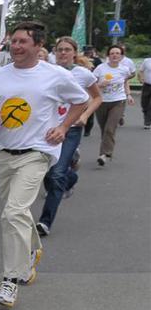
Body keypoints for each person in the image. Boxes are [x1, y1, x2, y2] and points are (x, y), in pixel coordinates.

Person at [0, 21, 89, 309]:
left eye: (23, 41)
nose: (16, 46)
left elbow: (81, 101)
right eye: (14, 41)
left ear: (38, 45)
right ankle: (33, 249)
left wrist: (63, 127)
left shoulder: (55, 75)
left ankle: (10, 280)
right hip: (2, 152)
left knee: (12, 213)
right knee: (18, 212)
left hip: (37, 152)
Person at [34, 37, 102, 236]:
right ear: (54, 52)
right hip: (47, 128)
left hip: (71, 128)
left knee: (56, 174)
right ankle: (71, 177)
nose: (63, 53)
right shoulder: (46, 71)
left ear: (74, 52)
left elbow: (97, 97)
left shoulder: (83, 74)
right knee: (48, 170)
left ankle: (45, 222)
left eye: (67, 50)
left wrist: (85, 115)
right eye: (59, 50)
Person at [92, 44, 135, 166]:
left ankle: (104, 154)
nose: (115, 55)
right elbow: (92, 84)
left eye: (117, 53)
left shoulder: (124, 69)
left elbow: (125, 82)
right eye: (112, 53)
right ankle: (105, 150)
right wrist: (100, 85)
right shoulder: (100, 68)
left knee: (110, 128)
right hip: (102, 101)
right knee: (104, 129)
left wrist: (129, 95)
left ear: (121, 56)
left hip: (118, 101)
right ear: (108, 56)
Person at [81, 45, 103, 136]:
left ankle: (87, 129)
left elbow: (100, 71)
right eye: (86, 50)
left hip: (92, 83)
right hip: (82, 83)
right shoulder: (80, 59)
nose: (88, 52)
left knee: (89, 107)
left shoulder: (97, 60)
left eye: (89, 50)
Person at [140, 56, 151, 130]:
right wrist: (141, 78)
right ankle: (146, 114)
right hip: (147, 85)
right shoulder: (147, 61)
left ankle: (147, 122)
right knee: (144, 103)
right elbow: (141, 71)